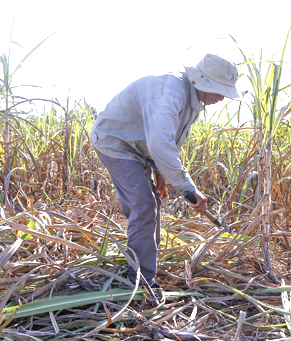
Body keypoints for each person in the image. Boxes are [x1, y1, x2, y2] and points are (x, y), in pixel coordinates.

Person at [90, 54, 242, 298]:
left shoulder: (193, 101)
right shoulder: (169, 93)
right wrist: (189, 189)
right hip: (116, 142)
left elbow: (166, 140)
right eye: (218, 90)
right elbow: (160, 144)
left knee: (152, 203)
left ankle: (145, 266)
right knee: (143, 204)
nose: (222, 98)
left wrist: (160, 171)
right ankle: (141, 282)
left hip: (140, 147)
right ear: (201, 82)